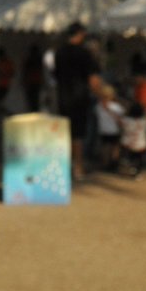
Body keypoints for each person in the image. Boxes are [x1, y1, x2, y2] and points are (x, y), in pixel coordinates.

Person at [54, 22, 104, 181]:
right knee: (78, 134)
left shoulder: (59, 52)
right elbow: (93, 79)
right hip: (80, 97)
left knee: (64, 133)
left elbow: (55, 75)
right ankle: (78, 167)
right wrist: (102, 95)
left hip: (63, 96)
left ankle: (65, 165)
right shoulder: (84, 53)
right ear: (81, 33)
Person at [94, 84, 125, 172]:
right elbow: (122, 114)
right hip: (114, 130)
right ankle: (113, 164)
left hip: (103, 130)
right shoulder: (116, 106)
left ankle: (105, 164)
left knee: (104, 147)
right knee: (115, 148)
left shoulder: (98, 106)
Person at [21, 44, 44, 112]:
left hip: (32, 82)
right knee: (34, 99)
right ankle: (34, 110)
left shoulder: (31, 60)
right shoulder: (38, 60)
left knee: (33, 99)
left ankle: (34, 111)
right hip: (34, 81)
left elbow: (25, 71)